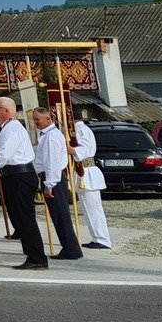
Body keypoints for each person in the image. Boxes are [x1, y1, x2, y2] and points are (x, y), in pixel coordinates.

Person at [0, 98, 44, 269]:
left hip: (20, 175)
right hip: (12, 175)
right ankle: (32, 254)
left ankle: (37, 258)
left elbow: (4, 155)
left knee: (25, 218)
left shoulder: (13, 128)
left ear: (6, 111)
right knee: (19, 218)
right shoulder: (2, 129)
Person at [33, 107, 84, 261]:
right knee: (58, 215)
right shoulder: (47, 135)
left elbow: (52, 162)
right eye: (34, 119)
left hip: (54, 179)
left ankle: (71, 249)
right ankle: (69, 247)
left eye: (37, 119)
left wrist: (49, 184)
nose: (35, 122)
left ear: (47, 119)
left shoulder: (51, 137)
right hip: (51, 177)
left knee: (60, 215)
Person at [72, 117, 112, 250]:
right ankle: (97, 237)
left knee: (93, 208)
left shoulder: (82, 130)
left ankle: (102, 239)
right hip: (82, 170)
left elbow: (83, 150)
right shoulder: (76, 130)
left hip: (87, 171)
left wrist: (71, 150)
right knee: (88, 208)